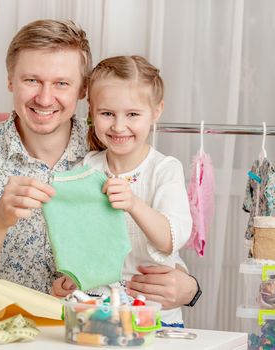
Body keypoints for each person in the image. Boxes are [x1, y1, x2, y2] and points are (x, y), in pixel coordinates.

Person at [0, 19, 200, 309]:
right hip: (7, 326)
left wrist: (189, 288)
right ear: (10, 80)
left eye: (61, 83)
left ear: (83, 90)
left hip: (93, 326)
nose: (44, 98)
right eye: (32, 80)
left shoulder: (111, 144)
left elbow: (146, 239)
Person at [50, 55, 193, 326]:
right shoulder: (87, 167)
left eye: (133, 114)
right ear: (91, 111)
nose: (118, 126)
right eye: (107, 113)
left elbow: (170, 241)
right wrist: (73, 277)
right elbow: (82, 239)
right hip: (97, 308)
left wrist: (133, 204)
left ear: (156, 111)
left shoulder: (164, 169)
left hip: (151, 311)